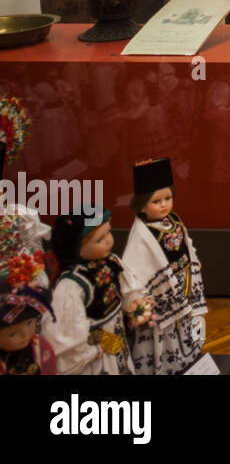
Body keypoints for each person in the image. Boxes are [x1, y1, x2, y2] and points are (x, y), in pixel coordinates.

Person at [121, 158, 207, 374]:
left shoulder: (174, 221)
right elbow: (133, 267)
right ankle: (165, 365)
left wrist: (193, 261)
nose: (164, 205)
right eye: (156, 201)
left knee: (184, 328)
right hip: (162, 294)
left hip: (183, 285)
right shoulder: (141, 234)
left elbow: (187, 244)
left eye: (168, 198)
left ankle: (187, 358)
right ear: (141, 203)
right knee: (164, 335)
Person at [45, 206, 151, 375]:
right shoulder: (72, 284)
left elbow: (127, 288)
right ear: (76, 247)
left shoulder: (112, 262)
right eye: (99, 240)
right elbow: (67, 334)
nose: (109, 241)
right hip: (96, 352)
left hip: (116, 337)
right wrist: (94, 348)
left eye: (108, 233)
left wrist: (134, 304)